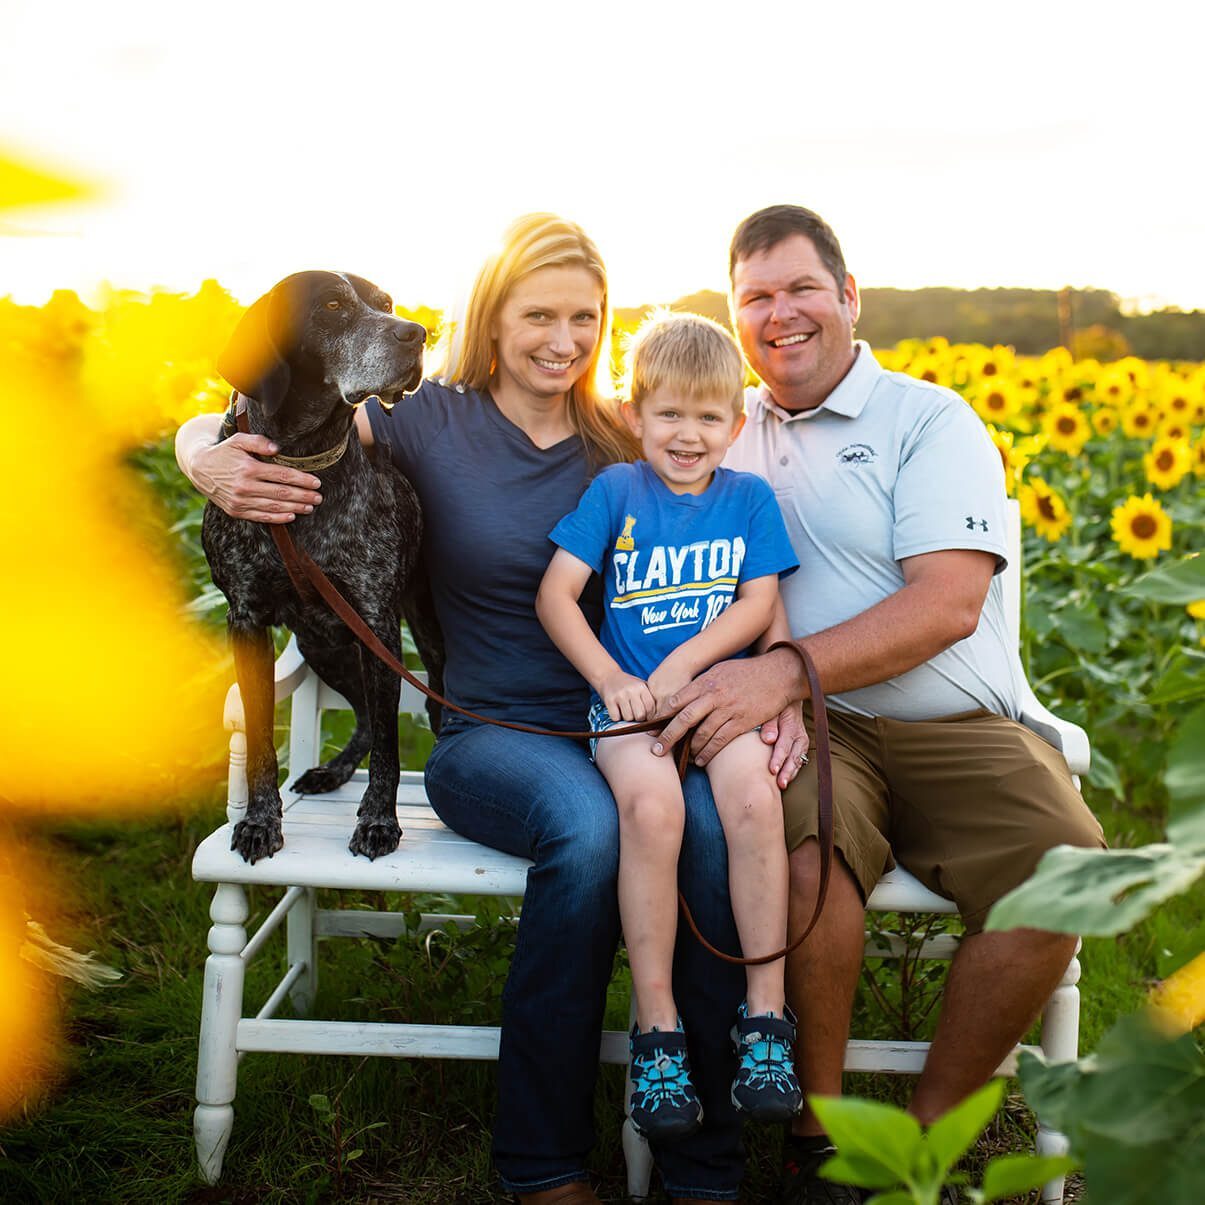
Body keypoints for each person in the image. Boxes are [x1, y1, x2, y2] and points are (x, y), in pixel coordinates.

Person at [175, 214, 798, 1204]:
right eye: (538, 314)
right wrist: (201, 449)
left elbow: (722, 550)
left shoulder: (623, 438)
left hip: (629, 720)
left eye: (584, 318)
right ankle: (540, 1161)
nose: (563, 339)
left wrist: (781, 673)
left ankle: (702, 1161)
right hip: (489, 732)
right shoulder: (428, 420)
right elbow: (275, 406)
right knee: (586, 834)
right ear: (491, 317)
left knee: (716, 835)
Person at [651, 205, 1106, 1205]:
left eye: (799, 288)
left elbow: (947, 603)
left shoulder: (927, 418)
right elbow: (549, 420)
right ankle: (820, 1138)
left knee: (1063, 868)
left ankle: (920, 1142)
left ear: (848, 295)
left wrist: (779, 668)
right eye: (754, 298)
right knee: (805, 860)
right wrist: (212, 437)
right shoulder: (718, 427)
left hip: (958, 722)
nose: (780, 314)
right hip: (816, 729)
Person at [536, 312, 805, 1141]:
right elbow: (555, 596)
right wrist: (615, 679)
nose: (687, 435)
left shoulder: (749, 499)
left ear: (736, 421)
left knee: (755, 805)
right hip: (628, 713)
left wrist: (680, 667)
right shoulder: (615, 492)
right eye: (668, 414)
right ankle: (657, 1030)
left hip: (710, 699)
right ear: (633, 413)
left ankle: (765, 1016)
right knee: (651, 812)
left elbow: (759, 605)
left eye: (707, 417)